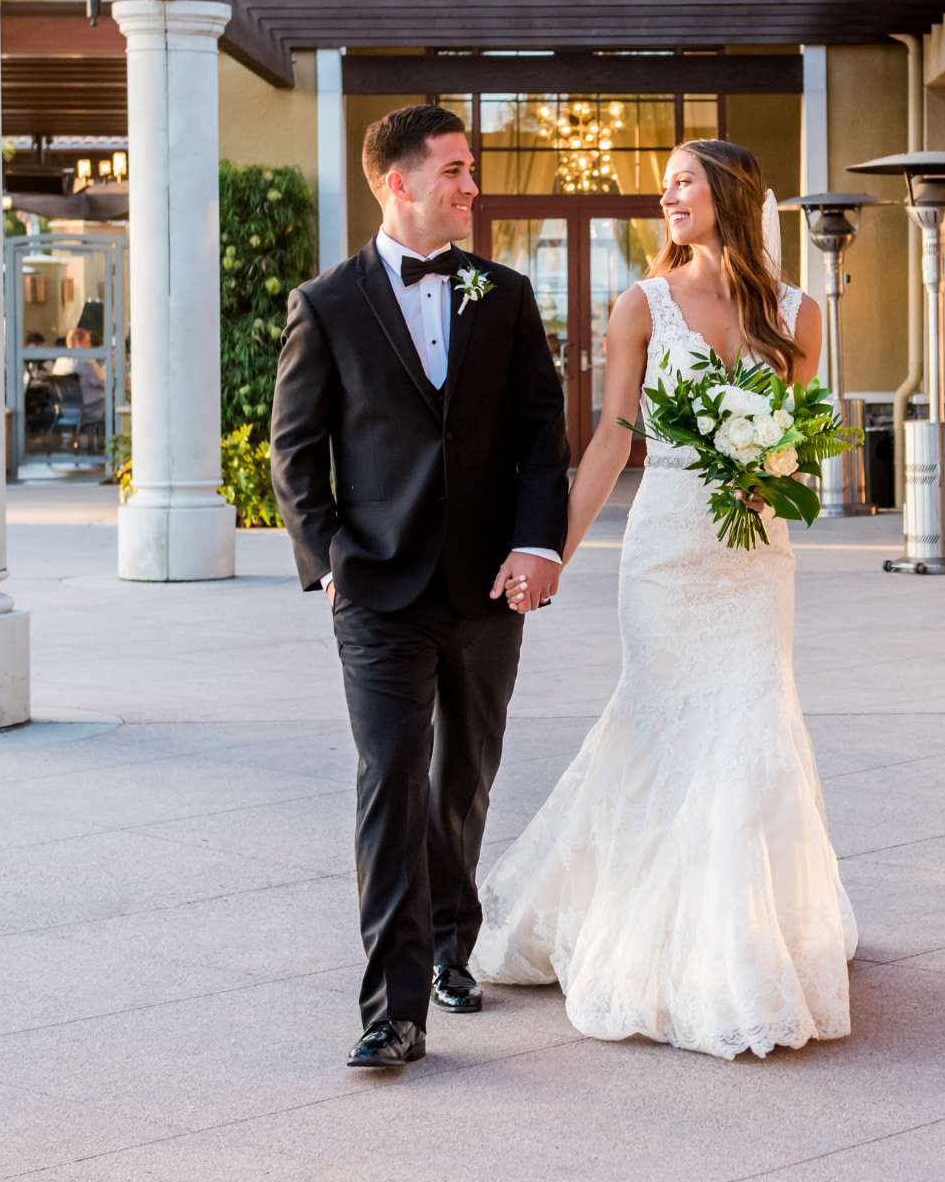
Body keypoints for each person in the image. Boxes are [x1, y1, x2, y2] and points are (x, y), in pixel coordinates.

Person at [472, 138, 857, 1059]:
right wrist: (551, 553)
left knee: (755, 736)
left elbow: (802, 436)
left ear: (729, 192)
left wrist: (778, 470)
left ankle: (741, 954)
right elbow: (610, 441)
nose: (667, 194)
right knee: (658, 729)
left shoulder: (798, 315)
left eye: (683, 180)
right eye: (668, 183)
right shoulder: (640, 305)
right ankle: (656, 935)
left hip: (756, 558)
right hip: (666, 557)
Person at [269, 103, 570, 1072]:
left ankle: (452, 945)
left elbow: (540, 440)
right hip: (378, 592)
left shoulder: (505, 294)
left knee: (463, 779)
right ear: (395, 182)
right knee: (391, 785)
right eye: (453, 170)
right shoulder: (327, 304)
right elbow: (295, 454)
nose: (469, 185)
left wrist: (539, 547)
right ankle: (392, 1012)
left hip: (487, 586)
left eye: (470, 168)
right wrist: (333, 563)